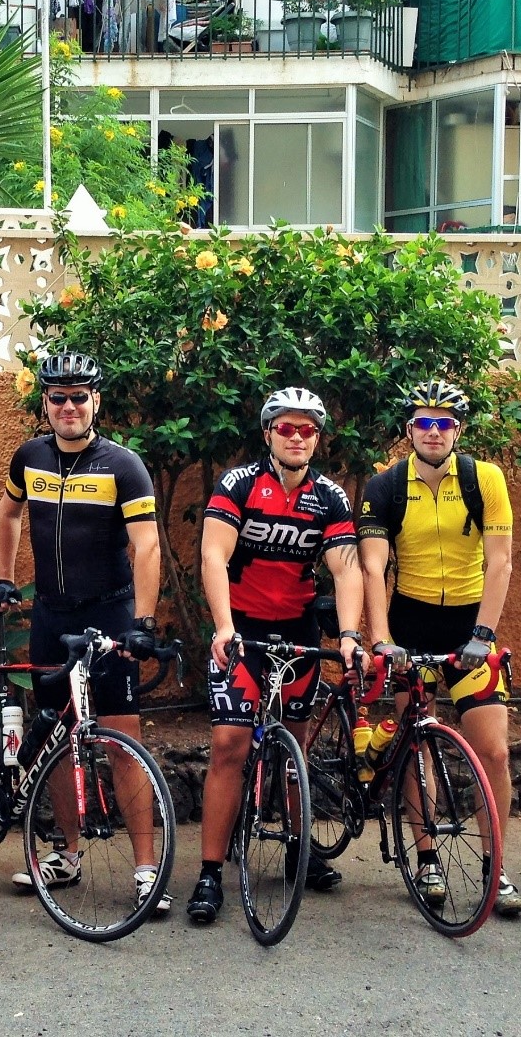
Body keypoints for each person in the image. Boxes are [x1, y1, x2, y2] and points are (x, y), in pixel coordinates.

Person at [0, 352, 170, 913]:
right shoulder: (30, 457)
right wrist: (4, 580)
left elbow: (146, 545)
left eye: (79, 397)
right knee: (52, 737)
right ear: (45, 403)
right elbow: (8, 514)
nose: (68, 406)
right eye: (58, 397)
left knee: (123, 742)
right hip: (51, 615)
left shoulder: (123, 465)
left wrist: (143, 622)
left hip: (110, 613)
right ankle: (66, 855)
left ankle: (147, 871)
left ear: (96, 401)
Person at [187, 388, 364, 924]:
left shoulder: (329, 496)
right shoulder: (239, 484)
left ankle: (297, 851)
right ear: (268, 433)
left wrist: (350, 634)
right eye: (286, 428)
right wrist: (224, 627)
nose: (296, 437)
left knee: (294, 751)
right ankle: (210, 872)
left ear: (317, 438)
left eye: (307, 430)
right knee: (229, 745)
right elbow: (213, 555)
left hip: (297, 630)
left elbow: (346, 568)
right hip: (242, 629)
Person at [356, 379, 521, 917]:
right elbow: (373, 567)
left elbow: (500, 561)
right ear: (409, 431)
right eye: (424, 423)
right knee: (417, 744)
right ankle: (427, 856)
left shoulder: (484, 479)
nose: (434, 431)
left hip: (470, 626)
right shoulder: (384, 486)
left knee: (494, 751)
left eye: (444, 423)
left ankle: (496, 865)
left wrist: (484, 634)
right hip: (411, 624)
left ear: (458, 430)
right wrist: (382, 640)